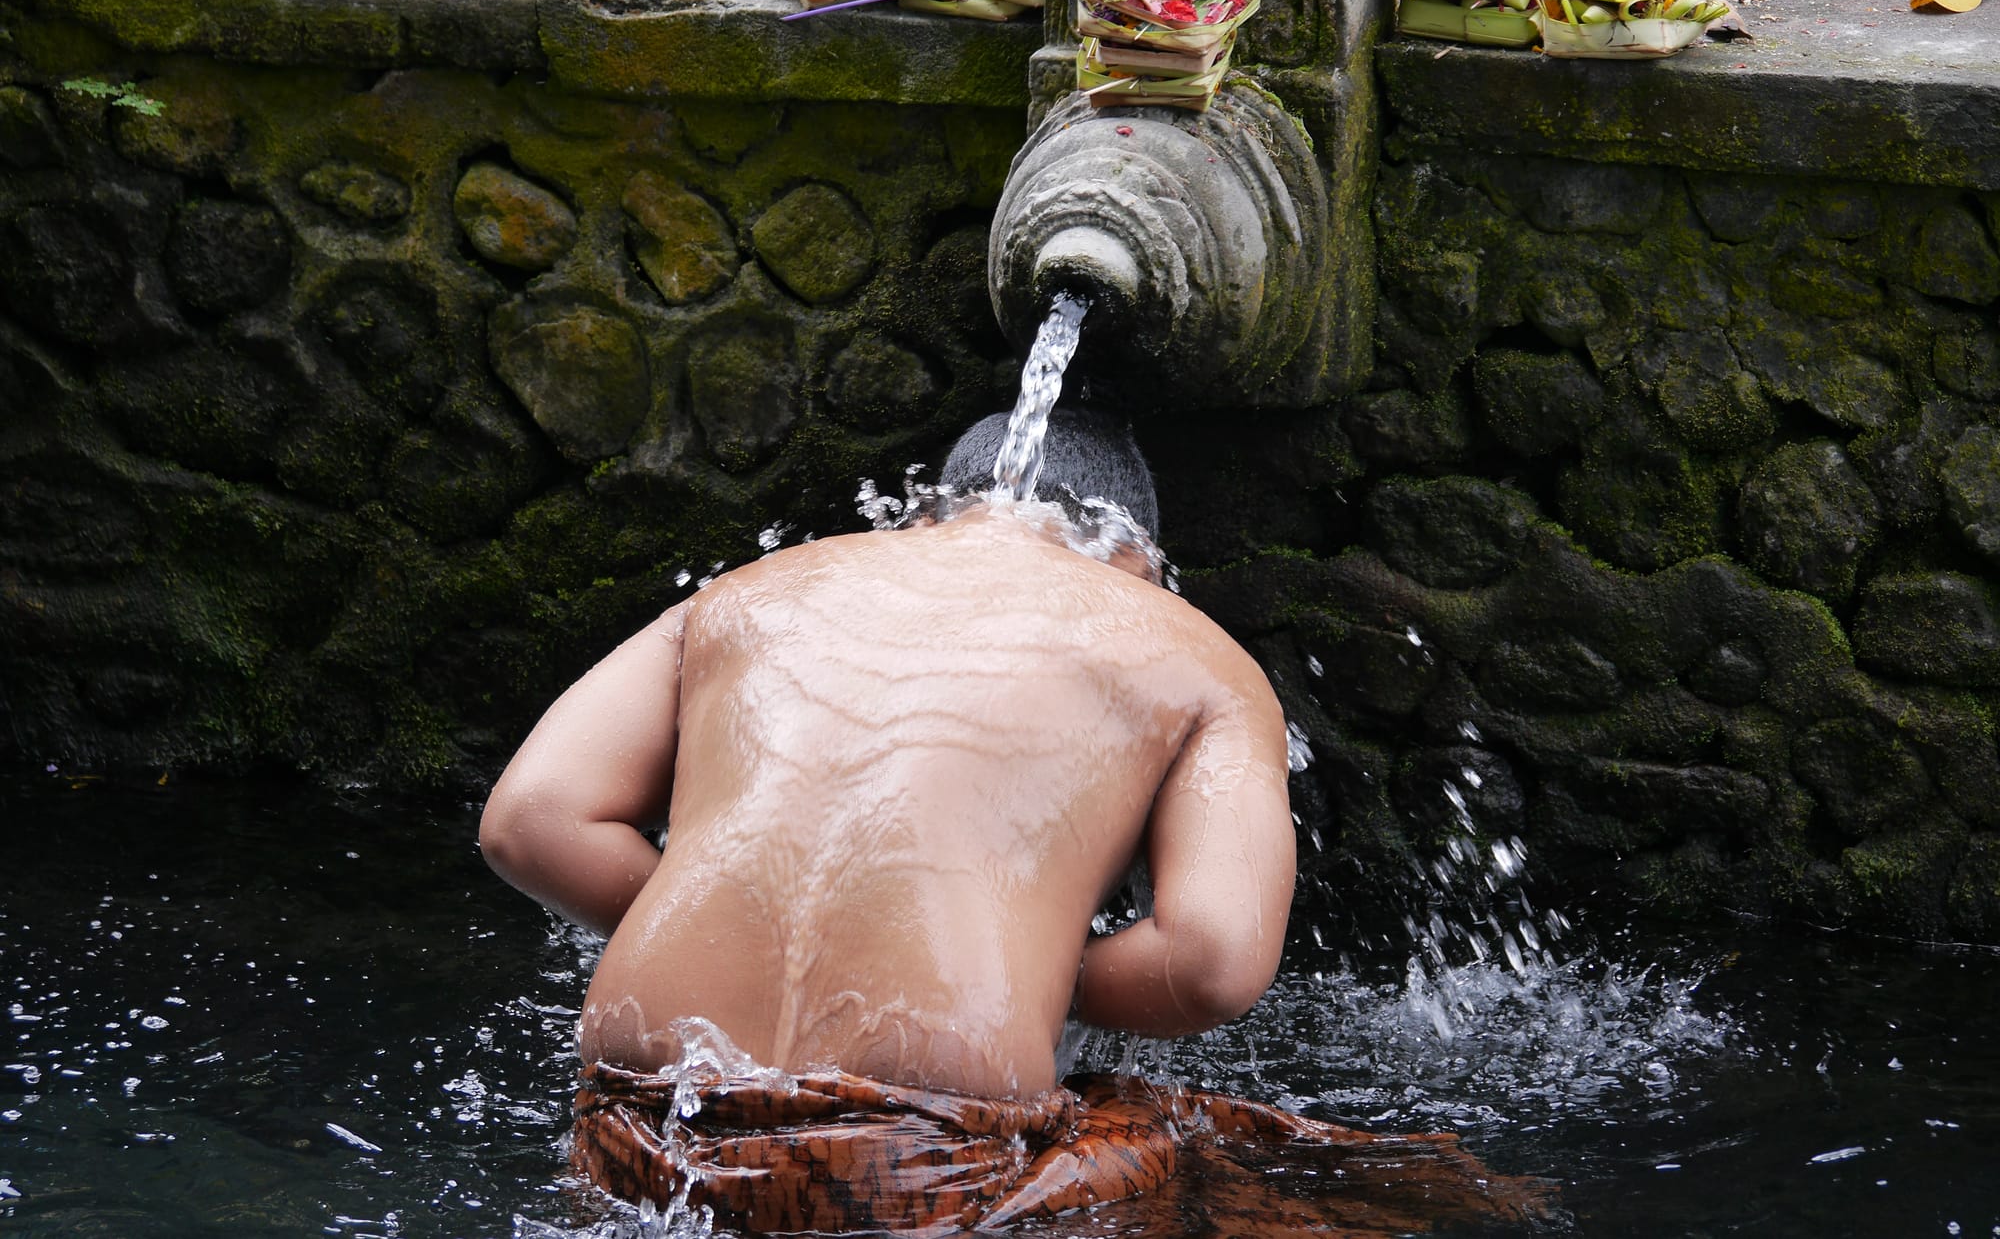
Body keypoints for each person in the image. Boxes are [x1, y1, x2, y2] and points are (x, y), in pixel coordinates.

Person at [480, 409, 1554, 1235]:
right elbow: (1213, 962)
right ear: (1136, 558)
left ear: (925, 512)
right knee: (1326, 1187)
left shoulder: (748, 592)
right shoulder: (1179, 646)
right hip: (922, 1161)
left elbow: (529, 823)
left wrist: (710, 906)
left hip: (641, 1122)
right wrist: (1027, 969)